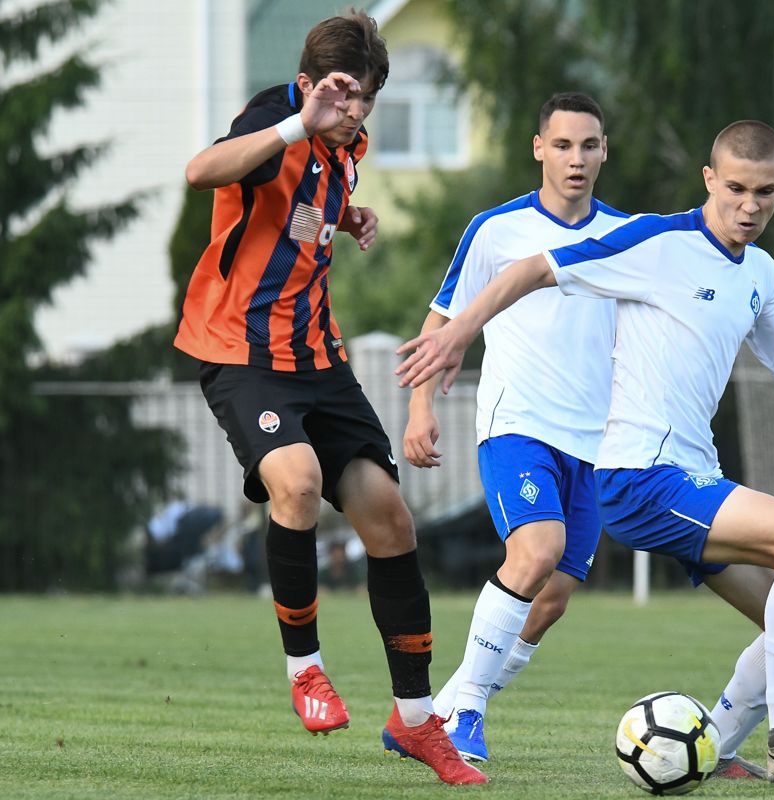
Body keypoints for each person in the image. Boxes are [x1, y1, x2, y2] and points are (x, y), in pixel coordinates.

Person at [395, 119, 774, 782]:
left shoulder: (760, 271)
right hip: (643, 477)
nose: (748, 206)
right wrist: (459, 332)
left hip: (695, 479)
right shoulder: (657, 241)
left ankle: (718, 742)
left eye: (764, 193)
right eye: (735, 189)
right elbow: (534, 268)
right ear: (709, 180)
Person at [174, 10, 485, 786]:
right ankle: (305, 669)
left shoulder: (347, 149)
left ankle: (416, 722)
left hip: (320, 359)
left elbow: (299, 212)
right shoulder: (273, 117)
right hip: (242, 353)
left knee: (389, 515)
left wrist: (348, 216)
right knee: (299, 481)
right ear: (308, 85)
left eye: (366, 103)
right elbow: (201, 172)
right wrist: (293, 125)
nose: (353, 115)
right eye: (341, 99)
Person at [403, 92, 627, 762]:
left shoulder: (626, 234)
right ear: (538, 149)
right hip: (517, 425)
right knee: (535, 551)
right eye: (562, 145)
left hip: (593, 443)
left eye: (589, 145)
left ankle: (437, 712)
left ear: (604, 150)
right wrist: (420, 411)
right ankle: (466, 716)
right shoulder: (496, 230)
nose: (576, 159)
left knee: (551, 596)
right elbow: (442, 319)